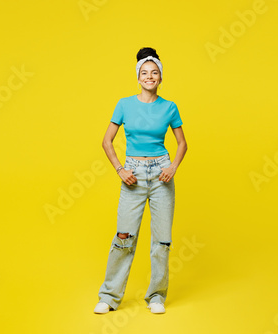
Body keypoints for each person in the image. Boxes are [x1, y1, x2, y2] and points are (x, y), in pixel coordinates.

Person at [94, 47, 188, 314]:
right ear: (138, 77)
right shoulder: (124, 104)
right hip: (133, 174)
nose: (150, 77)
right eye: (144, 73)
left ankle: (156, 297)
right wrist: (119, 169)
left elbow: (182, 144)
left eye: (154, 73)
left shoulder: (170, 107)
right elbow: (106, 141)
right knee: (124, 237)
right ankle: (109, 297)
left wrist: (173, 167)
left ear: (160, 77)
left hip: (161, 175)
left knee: (162, 241)